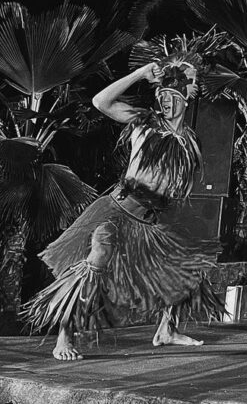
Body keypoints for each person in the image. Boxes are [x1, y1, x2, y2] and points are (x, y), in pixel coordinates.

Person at [22, 55, 223, 360]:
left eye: (173, 96)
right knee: (97, 257)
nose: (166, 102)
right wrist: (141, 73)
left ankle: (166, 330)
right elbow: (101, 101)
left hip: (150, 219)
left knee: (189, 261)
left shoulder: (187, 140)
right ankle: (65, 334)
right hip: (116, 211)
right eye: (162, 96)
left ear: (188, 96)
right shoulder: (144, 123)